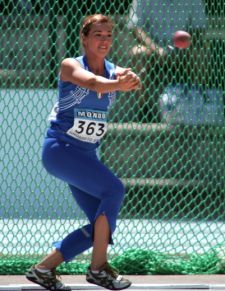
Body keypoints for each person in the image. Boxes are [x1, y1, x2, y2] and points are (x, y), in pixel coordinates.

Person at [25, 14, 140, 291]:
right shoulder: (70, 66)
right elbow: (93, 84)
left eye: (109, 35)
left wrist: (132, 77)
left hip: (86, 156)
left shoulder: (114, 71)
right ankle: (98, 269)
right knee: (114, 190)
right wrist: (120, 84)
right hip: (61, 150)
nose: (104, 40)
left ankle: (43, 269)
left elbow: (124, 76)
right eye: (98, 35)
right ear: (85, 39)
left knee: (100, 227)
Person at [128, 0, 207, 122]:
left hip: (184, 52)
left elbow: (199, 29)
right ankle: (145, 110)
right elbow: (136, 28)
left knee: (199, 53)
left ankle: (199, 101)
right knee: (138, 53)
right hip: (152, 51)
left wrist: (182, 48)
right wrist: (157, 49)